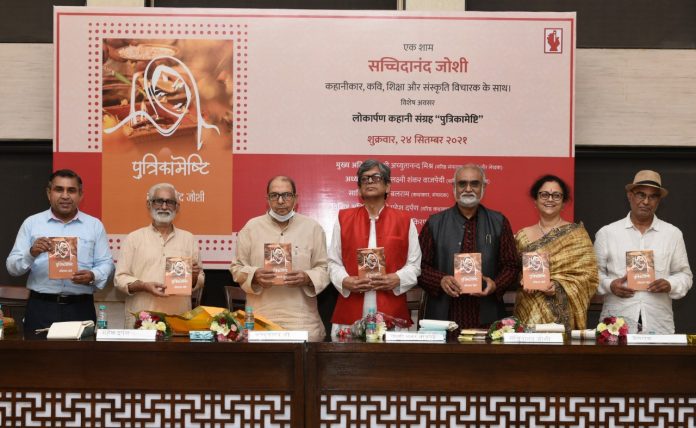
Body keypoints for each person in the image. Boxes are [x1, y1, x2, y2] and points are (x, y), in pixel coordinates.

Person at [6, 169, 114, 335]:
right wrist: (31, 253)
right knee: (37, 353)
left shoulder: (94, 225)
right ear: (49, 193)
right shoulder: (32, 223)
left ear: (80, 195)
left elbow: (106, 264)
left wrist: (93, 275)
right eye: (59, 189)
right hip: (41, 307)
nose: (65, 196)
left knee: (81, 353)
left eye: (71, 190)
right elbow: (12, 267)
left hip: (80, 308)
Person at [419, 164, 520, 331]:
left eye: (474, 183)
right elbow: (419, 266)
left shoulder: (499, 222)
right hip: (444, 318)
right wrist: (440, 280)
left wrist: (495, 284)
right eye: (462, 183)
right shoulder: (434, 223)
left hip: (487, 316)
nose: (468, 189)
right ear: (453, 187)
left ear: (483, 187)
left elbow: (511, 265)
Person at [328, 160, 421, 336]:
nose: (370, 181)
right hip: (350, 313)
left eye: (376, 177)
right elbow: (333, 262)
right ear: (359, 189)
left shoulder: (404, 220)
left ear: (388, 186)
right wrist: (345, 280)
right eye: (365, 179)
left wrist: (397, 278)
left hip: (392, 313)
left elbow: (414, 265)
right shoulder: (344, 219)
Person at [231, 176, 330, 341]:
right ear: (267, 199)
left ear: (296, 198)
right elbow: (237, 268)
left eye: (287, 195)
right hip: (260, 317)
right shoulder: (251, 228)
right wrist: (254, 275)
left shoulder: (313, 228)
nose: (281, 201)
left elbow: (325, 269)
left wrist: (307, 277)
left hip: (302, 320)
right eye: (274, 195)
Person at [594, 170, 692, 334]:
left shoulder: (672, 234)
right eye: (641, 195)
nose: (646, 201)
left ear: (658, 201)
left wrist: (670, 284)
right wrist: (610, 285)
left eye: (653, 196)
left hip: (658, 323)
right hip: (615, 324)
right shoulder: (607, 233)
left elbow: (685, 275)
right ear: (630, 196)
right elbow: (592, 275)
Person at [513, 175, 598, 330]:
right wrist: (522, 279)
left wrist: (557, 286)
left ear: (564, 202)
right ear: (535, 200)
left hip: (562, 316)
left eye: (556, 195)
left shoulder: (577, 234)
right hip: (529, 310)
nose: (550, 199)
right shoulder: (522, 236)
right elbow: (512, 270)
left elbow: (589, 276)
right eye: (544, 194)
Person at [114, 183, 204, 328]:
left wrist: (193, 278)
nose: (164, 206)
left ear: (177, 207)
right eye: (158, 201)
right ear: (149, 204)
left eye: (170, 202)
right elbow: (120, 279)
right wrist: (144, 286)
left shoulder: (189, 239)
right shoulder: (133, 238)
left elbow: (200, 278)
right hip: (141, 322)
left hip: (178, 320)